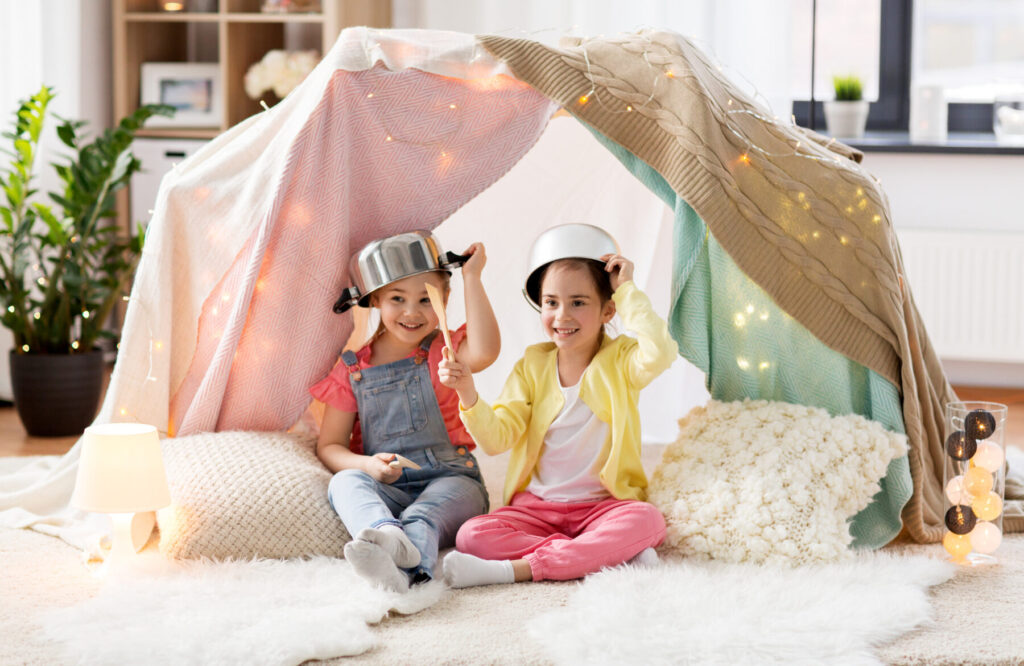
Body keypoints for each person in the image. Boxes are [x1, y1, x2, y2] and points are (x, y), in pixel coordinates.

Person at [438, 225, 676, 588]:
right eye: (551, 302)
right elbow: (497, 440)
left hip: (603, 507)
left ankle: (519, 569)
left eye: (578, 302)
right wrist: (468, 392)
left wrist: (627, 289)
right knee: (472, 535)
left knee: (648, 520)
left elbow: (661, 350)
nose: (562, 315)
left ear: (608, 310)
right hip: (537, 510)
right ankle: (605, 554)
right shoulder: (532, 366)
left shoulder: (624, 360)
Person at [310, 231, 498, 592]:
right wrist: (367, 466)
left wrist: (472, 277)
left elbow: (487, 350)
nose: (412, 312)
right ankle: (386, 536)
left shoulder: (445, 351)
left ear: (444, 299)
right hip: (388, 486)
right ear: (377, 299)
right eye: (398, 298)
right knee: (343, 482)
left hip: (452, 482)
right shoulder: (352, 370)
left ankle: (406, 563)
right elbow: (330, 447)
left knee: (422, 515)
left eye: (426, 300)